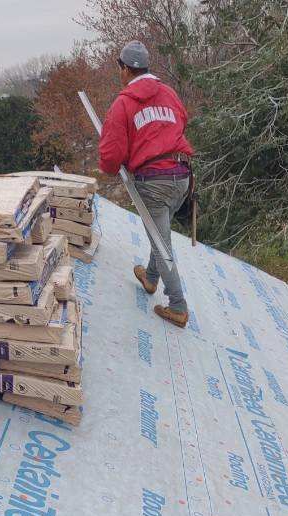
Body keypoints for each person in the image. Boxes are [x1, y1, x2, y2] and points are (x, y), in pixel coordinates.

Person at [98, 41, 193, 329]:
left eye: (120, 68)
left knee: (161, 242)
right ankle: (150, 278)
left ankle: (178, 305)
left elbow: (111, 153)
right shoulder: (169, 93)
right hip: (182, 176)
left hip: (154, 182)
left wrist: (111, 168)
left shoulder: (123, 103)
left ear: (125, 68)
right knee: (159, 231)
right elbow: (182, 121)